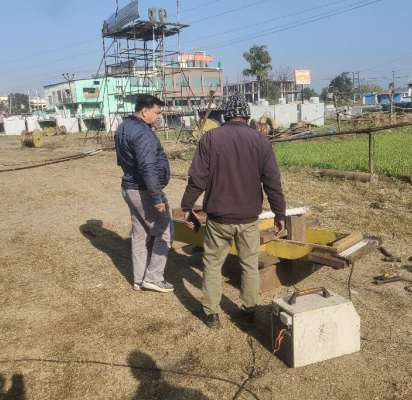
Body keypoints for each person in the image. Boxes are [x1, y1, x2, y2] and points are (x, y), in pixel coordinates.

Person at [181, 93, 286, 329]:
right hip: (248, 218)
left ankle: (211, 314)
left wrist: (187, 206)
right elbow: (272, 182)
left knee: (212, 265)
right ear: (246, 116)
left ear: (226, 116)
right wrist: (280, 213)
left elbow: (197, 178)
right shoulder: (261, 141)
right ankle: (249, 312)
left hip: (218, 219)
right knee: (249, 265)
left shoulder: (210, 138)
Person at [115, 94, 174, 293]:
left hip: (129, 187)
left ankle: (139, 279)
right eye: (157, 112)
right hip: (143, 190)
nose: (160, 117)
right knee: (165, 232)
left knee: (139, 234)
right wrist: (157, 197)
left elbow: (122, 159)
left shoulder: (123, 126)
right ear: (144, 111)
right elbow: (148, 167)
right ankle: (154, 278)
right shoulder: (143, 133)